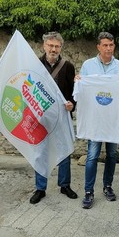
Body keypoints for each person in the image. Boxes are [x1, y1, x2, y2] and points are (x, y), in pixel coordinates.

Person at [76, 31, 119, 209]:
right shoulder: (88, 65)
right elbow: (81, 92)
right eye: (105, 45)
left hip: (112, 120)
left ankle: (108, 186)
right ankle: (88, 191)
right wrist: (78, 81)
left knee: (112, 155)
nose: (108, 48)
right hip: (95, 120)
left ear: (114, 46)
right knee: (92, 156)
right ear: (98, 47)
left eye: (111, 45)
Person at [29, 31, 78, 204]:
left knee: (64, 151)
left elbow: (74, 93)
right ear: (44, 46)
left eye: (57, 46)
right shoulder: (34, 65)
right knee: (40, 153)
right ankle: (40, 188)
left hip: (61, 117)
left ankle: (65, 185)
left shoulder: (68, 66)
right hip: (40, 117)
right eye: (50, 45)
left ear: (61, 48)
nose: (53, 49)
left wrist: (72, 103)